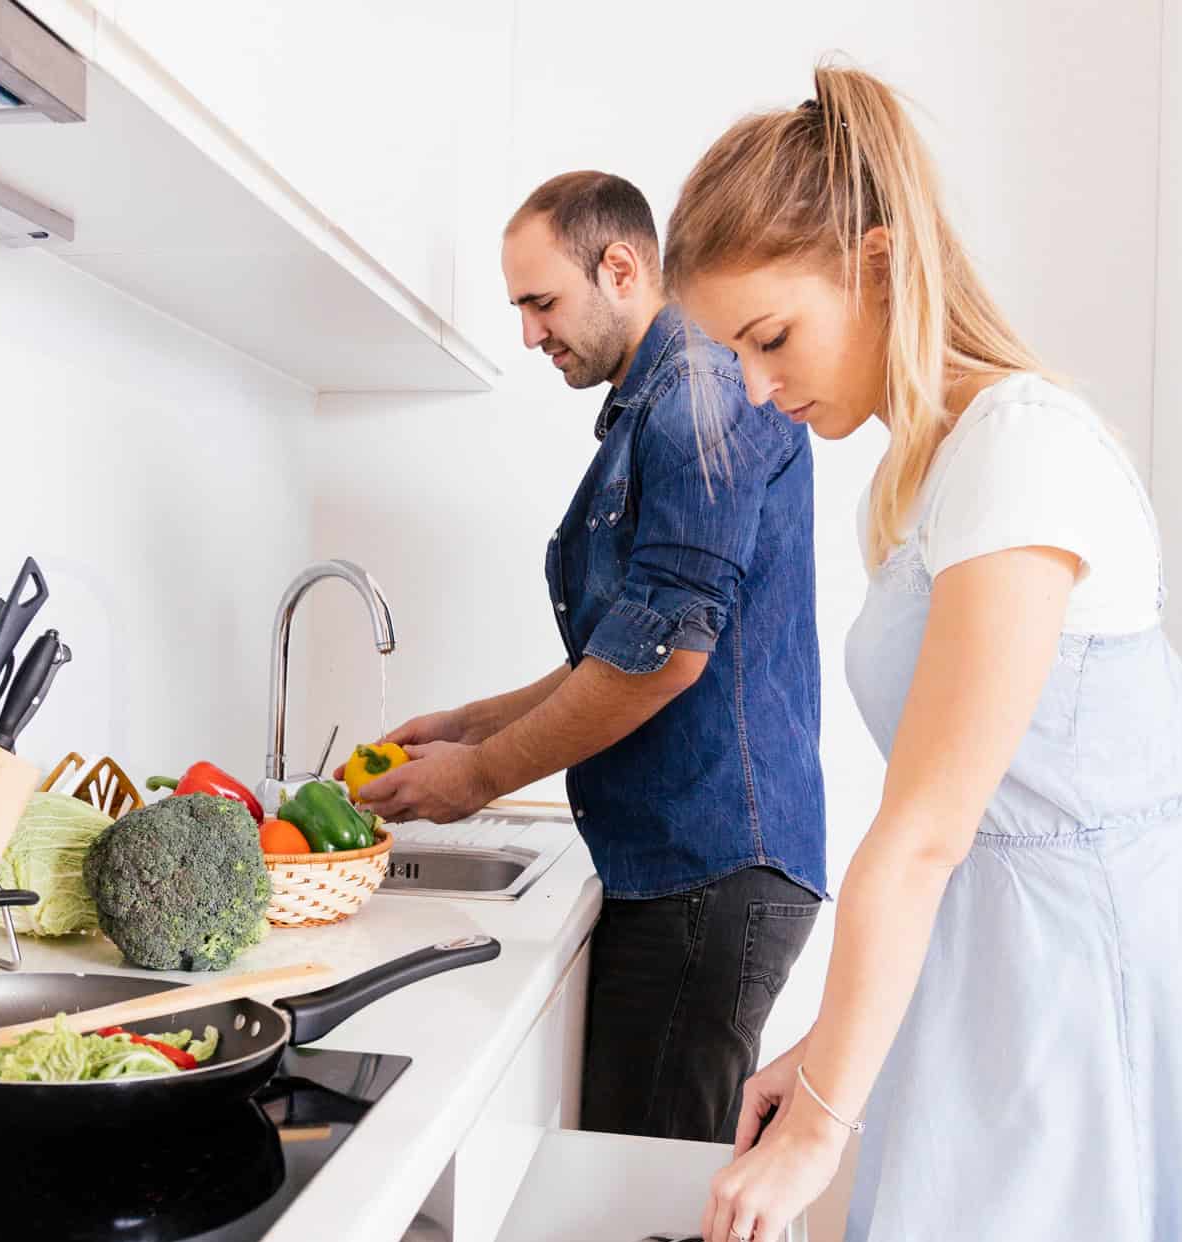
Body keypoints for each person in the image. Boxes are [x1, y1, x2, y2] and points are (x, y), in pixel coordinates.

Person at [664, 64, 1182, 1242]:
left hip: (1096, 988)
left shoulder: (1023, 448)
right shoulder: (912, 484)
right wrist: (826, 1061)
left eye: (767, 338)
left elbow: (923, 835)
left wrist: (816, 1127)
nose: (755, 387)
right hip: (995, 980)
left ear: (874, 261)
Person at [354, 171, 828, 1144]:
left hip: (708, 863)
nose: (528, 332)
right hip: (685, 860)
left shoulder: (697, 392)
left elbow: (662, 661)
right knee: (631, 1178)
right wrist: (466, 724)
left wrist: (476, 775)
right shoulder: (656, 404)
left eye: (540, 301)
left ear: (620, 267)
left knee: (640, 1197)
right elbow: (628, 643)